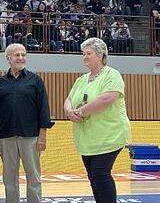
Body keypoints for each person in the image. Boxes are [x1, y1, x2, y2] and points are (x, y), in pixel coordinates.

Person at [63, 37, 130, 203]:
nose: (84, 57)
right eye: (83, 53)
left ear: (100, 55)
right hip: (88, 137)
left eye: (89, 53)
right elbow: (69, 99)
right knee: (93, 176)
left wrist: (81, 112)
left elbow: (107, 99)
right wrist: (69, 111)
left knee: (101, 173)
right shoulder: (81, 79)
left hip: (109, 134)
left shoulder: (112, 75)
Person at [0, 44, 52, 203]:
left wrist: (42, 135)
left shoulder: (35, 80)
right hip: (6, 137)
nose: (21, 58)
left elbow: (44, 108)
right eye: (17, 55)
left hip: (30, 137)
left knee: (33, 177)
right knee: (9, 178)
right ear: (8, 58)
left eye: (23, 55)